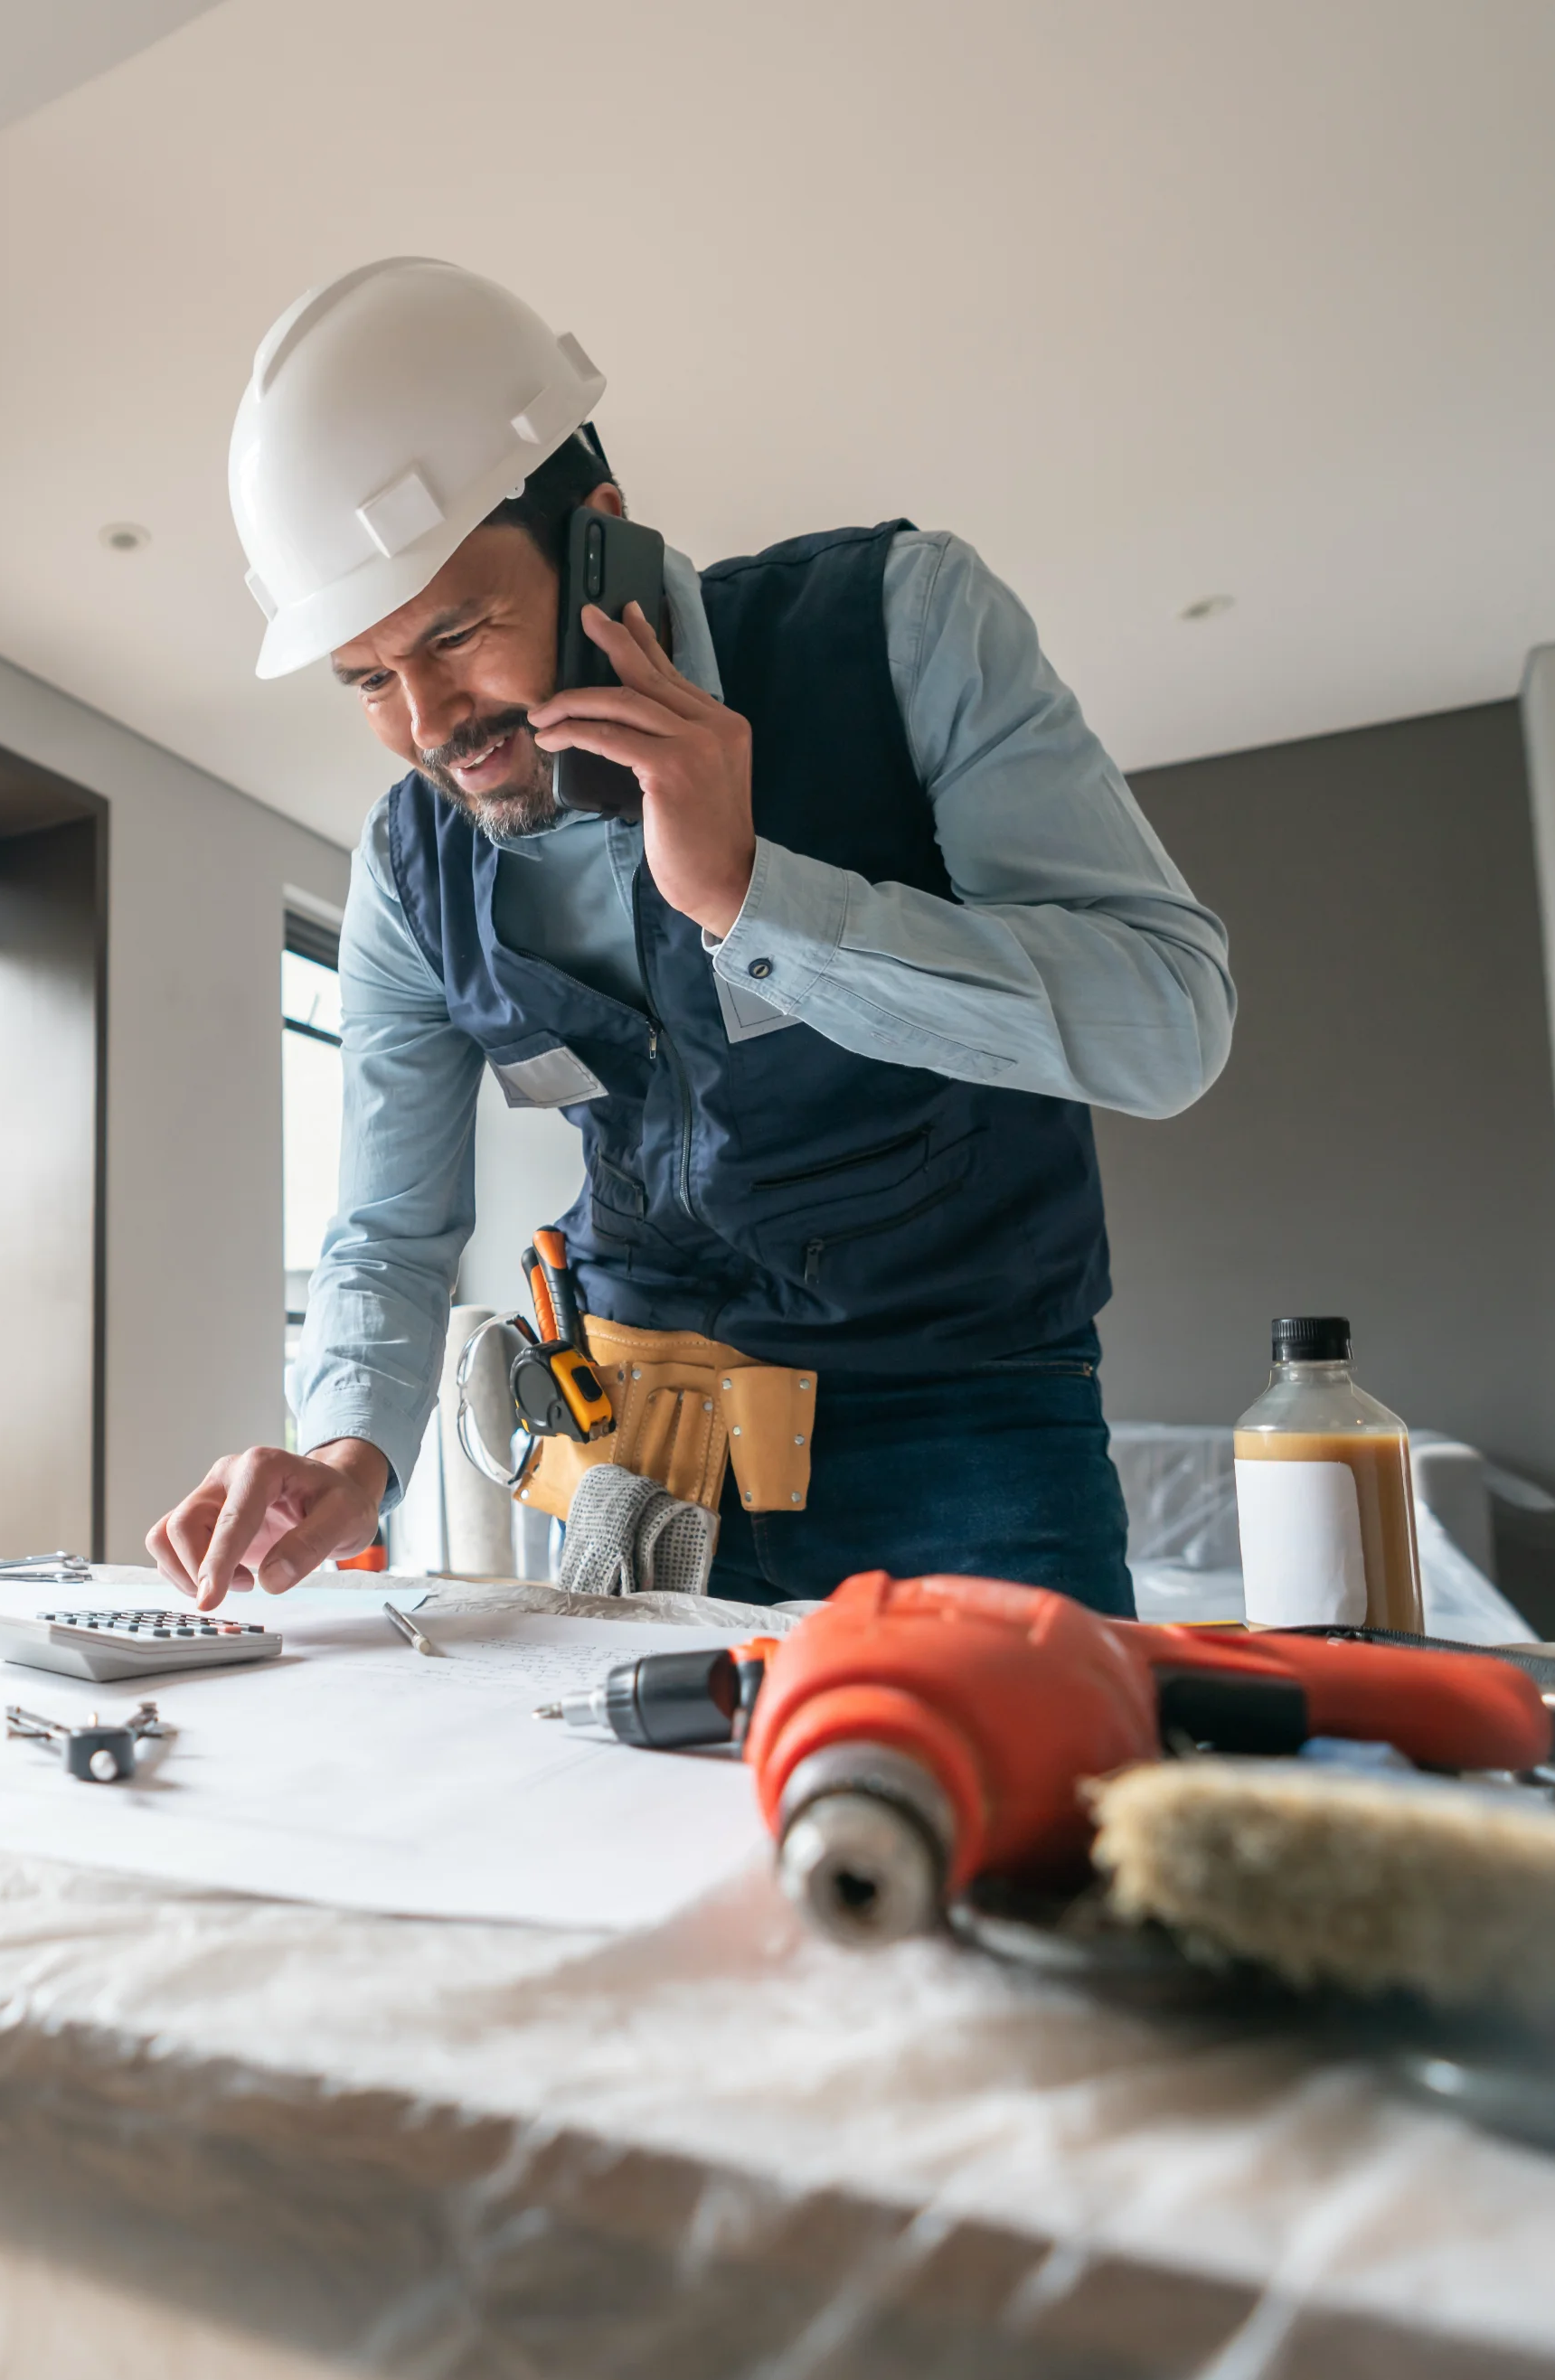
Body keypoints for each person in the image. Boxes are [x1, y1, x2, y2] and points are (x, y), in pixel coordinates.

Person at [149, 259, 1232, 1612]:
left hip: (966, 1435)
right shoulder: (407, 864)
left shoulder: (904, 628)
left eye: (458, 634)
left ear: (599, 533)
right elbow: (388, 1226)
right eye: (369, 680)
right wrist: (351, 1448)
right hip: (632, 1457)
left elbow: (1171, 1024)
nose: (429, 725)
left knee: (1014, 1830)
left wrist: (753, 900)